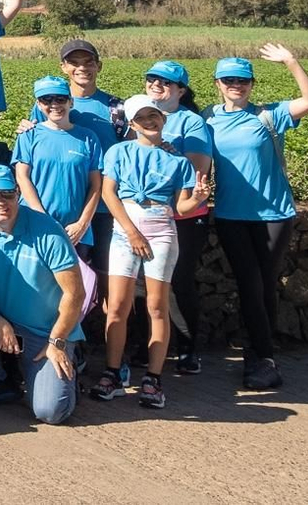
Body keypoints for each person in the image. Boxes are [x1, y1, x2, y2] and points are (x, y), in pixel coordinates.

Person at [205, 45, 308, 390]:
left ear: (252, 84)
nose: (235, 85)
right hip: (230, 214)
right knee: (249, 283)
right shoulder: (206, 118)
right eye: (229, 79)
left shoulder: (269, 115)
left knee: (264, 283)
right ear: (217, 83)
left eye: (242, 80)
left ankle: (262, 355)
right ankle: (261, 354)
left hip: (275, 213)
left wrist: (291, 62)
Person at [0, 165, 84, 425]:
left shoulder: (48, 230)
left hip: (47, 331)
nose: (0, 202)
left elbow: (75, 294)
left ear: (18, 192)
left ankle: (70, 363)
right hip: (0, 321)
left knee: (50, 412)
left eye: (7, 194)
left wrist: (57, 341)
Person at [91, 95, 202, 409]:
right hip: (125, 232)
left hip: (161, 230)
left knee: (156, 306)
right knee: (117, 307)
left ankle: (153, 379)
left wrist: (198, 199)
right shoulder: (118, 152)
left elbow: (180, 206)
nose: (149, 122)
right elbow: (109, 194)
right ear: (131, 123)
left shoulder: (179, 162)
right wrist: (131, 232)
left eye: (154, 116)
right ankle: (113, 374)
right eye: (142, 118)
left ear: (162, 119)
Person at [137, 59, 215, 376]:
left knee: (178, 283)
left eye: (166, 82)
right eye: (152, 78)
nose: (157, 84)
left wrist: (166, 155)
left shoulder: (191, 123)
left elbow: (198, 170)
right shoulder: (139, 115)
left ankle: (187, 349)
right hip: (147, 215)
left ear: (181, 90)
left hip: (185, 216)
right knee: (143, 285)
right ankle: (148, 347)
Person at [13, 76, 103, 255]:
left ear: (71, 102)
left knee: (77, 282)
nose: (54, 104)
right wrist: (42, 217)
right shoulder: (28, 135)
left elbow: (96, 185)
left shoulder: (88, 137)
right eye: (46, 99)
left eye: (60, 99)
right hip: (34, 224)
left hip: (75, 232)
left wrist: (82, 224)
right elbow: (22, 177)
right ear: (39, 105)